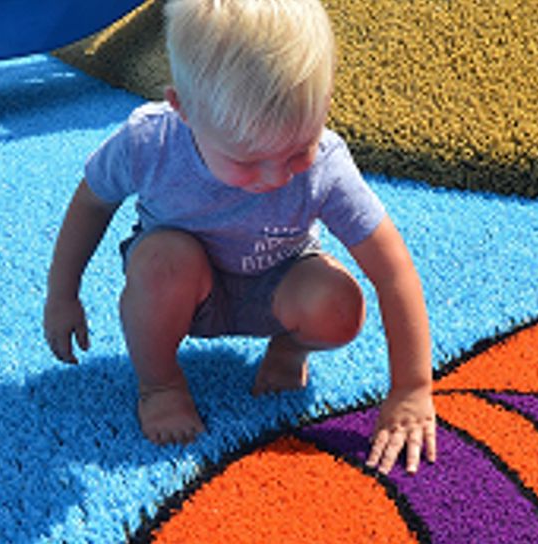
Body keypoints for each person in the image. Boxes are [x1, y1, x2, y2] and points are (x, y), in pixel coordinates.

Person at [43, 0, 436, 474]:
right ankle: (160, 384)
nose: (276, 177)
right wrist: (62, 293)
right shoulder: (150, 142)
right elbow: (92, 201)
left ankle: (289, 347)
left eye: (299, 150)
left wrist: (412, 388)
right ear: (183, 110)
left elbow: (392, 271)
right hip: (181, 291)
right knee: (164, 261)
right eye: (247, 161)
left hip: (275, 283)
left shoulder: (328, 166)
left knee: (338, 304)